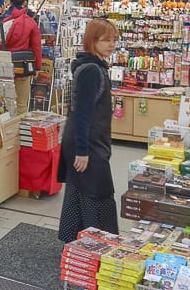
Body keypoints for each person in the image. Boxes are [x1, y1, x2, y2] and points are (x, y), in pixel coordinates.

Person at [57, 17, 120, 243]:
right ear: (92, 41)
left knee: (78, 192)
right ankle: (98, 244)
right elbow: (81, 113)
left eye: (114, 40)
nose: (111, 45)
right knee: (96, 194)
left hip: (86, 142)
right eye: (106, 40)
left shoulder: (94, 67)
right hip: (87, 145)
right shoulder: (92, 70)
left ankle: (73, 240)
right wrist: (82, 151)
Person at [0, 0, 42, 113]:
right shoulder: (30, 22)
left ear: (9, 2)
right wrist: (37, 67)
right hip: (23, 67)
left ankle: (3, 130)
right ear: (25, 3)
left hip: (3, 68)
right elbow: (37, 47)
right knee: (21, 104)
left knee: (2, 104)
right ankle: (17, 131)